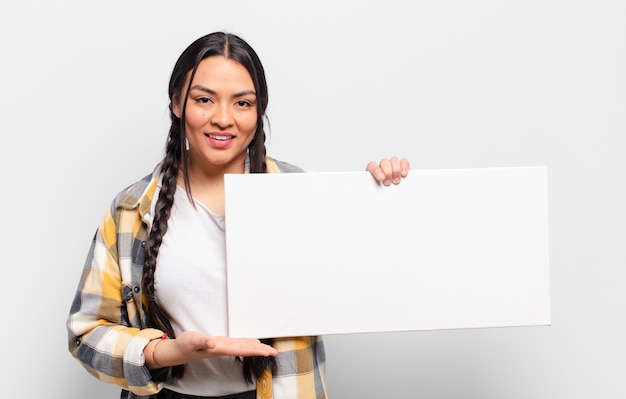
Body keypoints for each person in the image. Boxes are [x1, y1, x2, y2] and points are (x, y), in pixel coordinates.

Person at [66, 31, 410, 399]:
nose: (223, 119)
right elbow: (86, 332)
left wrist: (380, 196)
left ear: (259, 109)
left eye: (242, 103)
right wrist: (162, 351)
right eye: (204, 100)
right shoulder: (131, 210)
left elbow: (365, 279)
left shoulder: (302, 195)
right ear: (177, 104)